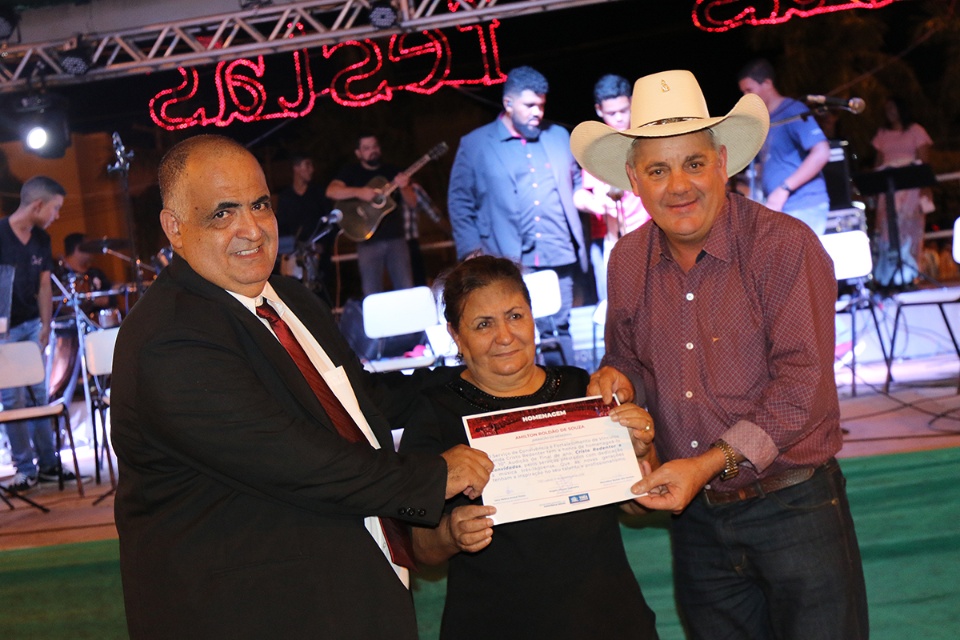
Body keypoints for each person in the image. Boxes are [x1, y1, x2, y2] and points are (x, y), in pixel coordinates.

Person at [111, 134, 493, 639]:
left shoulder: (287, 297)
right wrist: (432, 477)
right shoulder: (171, 339)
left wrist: (478, 380)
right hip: (249, 614)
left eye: (260, 205)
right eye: (222, 214)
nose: (251, 229)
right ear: (174, 229)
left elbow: (362, 400)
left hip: (338, 591)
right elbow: (298, 462)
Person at [571, 69, 868, 639]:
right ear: (635, 179)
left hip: (795, 506)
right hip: (698, 520)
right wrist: (615, 379)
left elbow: (801, 387)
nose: (678, 185)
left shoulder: (784, 246)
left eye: (694, 163)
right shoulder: (626, 261)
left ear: (723, 161)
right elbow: (627, 358)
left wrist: (705, 465)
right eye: (658, 170)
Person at [400, 255, 659, 640]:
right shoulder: (435, 412)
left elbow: (637, 504)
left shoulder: (580, 389)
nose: (505, 336)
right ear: (456, 335)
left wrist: (640, 453)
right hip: (496, 623)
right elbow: (419, 548)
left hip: (607, 619)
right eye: (483, 324)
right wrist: (451, 533)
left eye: (515, 316)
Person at [447, 65, 587, 366]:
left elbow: (576, 181)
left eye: (541, 104)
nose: (537, 112)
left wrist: (586, 195)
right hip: (507, 258)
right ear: (508, 103)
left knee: (560, 327)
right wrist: (472, 253)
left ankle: (570, 395)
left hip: (557, 252)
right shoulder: (476, 144)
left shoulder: (559, 136)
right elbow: (460, 202)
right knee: (515, 331)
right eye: (529, 105)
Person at [0, 177, 81, 493]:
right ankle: (24, 468)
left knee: (39, 394)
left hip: (33, 324)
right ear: (37, 205)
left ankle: (49, 464)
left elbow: (45, 285)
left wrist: (47, 325)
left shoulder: (42, 240)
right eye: (55, 208)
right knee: (12, 399)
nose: (57, 215)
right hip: (3, 330)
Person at [574, 74, 650, 301]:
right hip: (612, 241)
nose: (618, 118)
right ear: (599, 110)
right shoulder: (594, 146)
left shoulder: (645, 137)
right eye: (611, 113)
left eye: (623, 110)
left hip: (649, 236)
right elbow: (580, 195)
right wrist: (597, 204)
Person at [738, 58, 832, 235]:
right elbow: (761, 165)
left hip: (804, 205)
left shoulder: (793, 111)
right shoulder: (763, 121)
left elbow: (822, 151)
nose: (746, 97)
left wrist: (783, 189)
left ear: (767, 83)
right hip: (780, 209)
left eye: (749, 90)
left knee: (800, 262)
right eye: (743, 92)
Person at [325, 133, 416, 296]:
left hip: (396, 239)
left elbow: (412, 203)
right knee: (371, 292)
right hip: (367, 241)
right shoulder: (351, 172)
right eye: (366, 148)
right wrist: (359, 192)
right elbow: (331, 191)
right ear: (358, 153)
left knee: (406, 288)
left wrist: (405, 186)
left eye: (374, 146)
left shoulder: (392, 171)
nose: (372, 151)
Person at [872, 97, 934, 284]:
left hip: (910, 187)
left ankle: (910, 274)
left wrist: (925, 188)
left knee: (908, 227)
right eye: (887, 109)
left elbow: (924, 161)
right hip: (889, 187)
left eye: (892, 107)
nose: (889, 112)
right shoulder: (882, 134)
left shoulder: (916, 131)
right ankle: (888, 275)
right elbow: (879, 161)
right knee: (886, 229)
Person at [276, 153, 335, 302]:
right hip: (294, 257)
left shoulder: (319, 193)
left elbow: (330, 223)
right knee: (296, 298)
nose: (311, 170)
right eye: (307, 165)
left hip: (318, 257)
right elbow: (281, 226)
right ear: (296, 168)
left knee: (321, 297)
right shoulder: (286, 197)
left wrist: (324, 245)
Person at [402, 183, 444, 286]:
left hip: (411, 242)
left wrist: (455, 234)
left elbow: (435, 215)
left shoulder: (413, 188)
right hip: (391, 243)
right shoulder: (378, 190)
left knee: (418, 282)